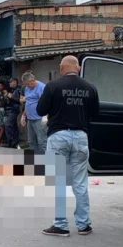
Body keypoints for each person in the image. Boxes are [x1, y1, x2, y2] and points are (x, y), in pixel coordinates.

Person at [37, 56, 99, 237]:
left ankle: (61, 225)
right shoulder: (90, 87)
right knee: (80, 182)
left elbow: (40, 110)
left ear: (61, 68)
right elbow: (95, 114)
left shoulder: (53, 86)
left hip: (58, 136)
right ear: (78, 68)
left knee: (59, 182)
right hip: (81, 137)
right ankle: (83, 224)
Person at [20, 72, 47, 154]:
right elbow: (28, 102)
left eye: (28, 84)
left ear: (33, 80)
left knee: (42, 142)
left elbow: (45, 103)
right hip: (30, 118)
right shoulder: (27, 88)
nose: (27, 86)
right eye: (26, 85)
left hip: (39, 118)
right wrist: (24, 115)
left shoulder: (41, 87)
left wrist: (45, 116)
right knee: (31, 142)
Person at [4, 78, 22, 148]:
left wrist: (11, 96)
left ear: (15, 82)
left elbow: (20, 100)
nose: (9, 84)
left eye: (10, 82)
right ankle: (13, 142)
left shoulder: (18, 90)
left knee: (8, 125)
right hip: (9, 109)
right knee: (13, 126)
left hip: (14, 110)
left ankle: (11, 141)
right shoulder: (12, 89)